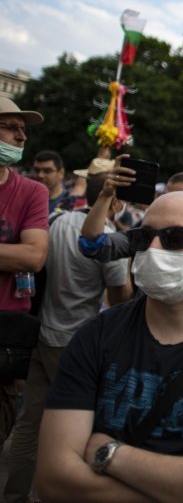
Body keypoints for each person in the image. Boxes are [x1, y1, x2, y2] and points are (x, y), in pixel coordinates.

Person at [35, 191, 183, 503]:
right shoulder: (96, 335)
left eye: (175, 237)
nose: (153, 248)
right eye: (143, 237)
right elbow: (54, 480)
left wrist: (109, 454)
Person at [3, 170, 133, 503]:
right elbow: (120, 300)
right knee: (71, 433)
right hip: (76, 345)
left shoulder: (58, 222)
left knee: (28, 426)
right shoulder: (104, 234)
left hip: (43, 335)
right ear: (113, 201)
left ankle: (15, 495)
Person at [0, 98, 48, 450]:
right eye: (10, 127)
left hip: (5, 335)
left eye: (23, 130)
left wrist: (21, 255)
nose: (21, 137)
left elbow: (33, 255)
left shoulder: (32, 191)